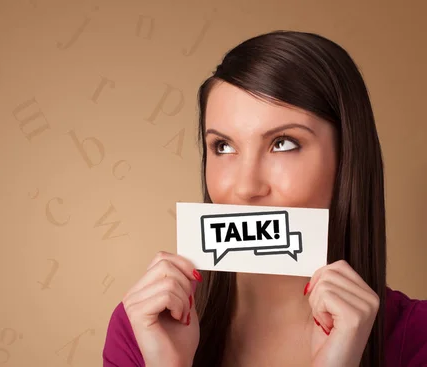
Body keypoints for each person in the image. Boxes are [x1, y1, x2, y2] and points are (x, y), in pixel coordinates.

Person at [101, 30, 427, 367]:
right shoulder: (144, 326)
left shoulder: (418, 336)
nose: (246, 186)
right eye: (223, 146)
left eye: (283, 143)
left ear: (347, 159)